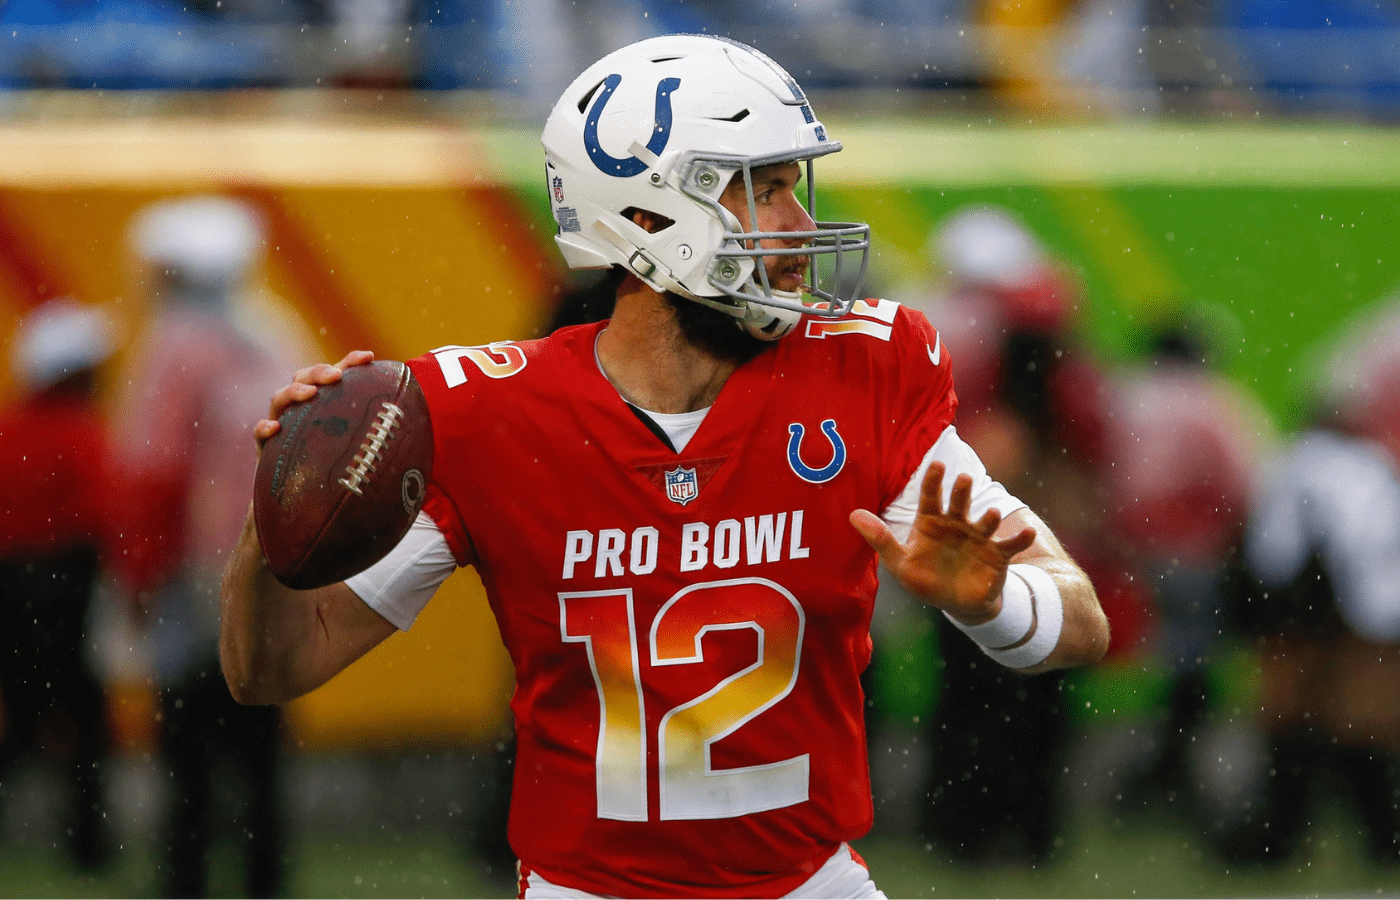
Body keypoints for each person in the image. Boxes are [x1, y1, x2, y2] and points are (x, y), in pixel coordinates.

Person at [220, 34, 1110, 899]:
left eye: (794, 184)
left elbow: (1082, 623)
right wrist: (274, 521)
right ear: (647, 218)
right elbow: (273, 668)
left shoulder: (865, 367)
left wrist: (998, 604)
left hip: (811, 880)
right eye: (763, 189)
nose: (800, 225)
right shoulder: (484, 413)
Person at [112, 195, 315, 898]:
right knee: (260, 743)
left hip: (196, 573)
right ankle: (265, 879)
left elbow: (153, 473)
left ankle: (186, 879)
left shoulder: (175, 346)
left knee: (189, 748)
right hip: (275, 568)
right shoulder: (275, 332)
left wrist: (137, 576)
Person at [0, 296, 120, 871]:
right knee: (85, 730)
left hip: (9, 595)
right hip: (67, 596)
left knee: (18, 724)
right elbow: (106, 518)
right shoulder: (83, 432)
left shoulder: (7, 430)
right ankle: (88, 850)